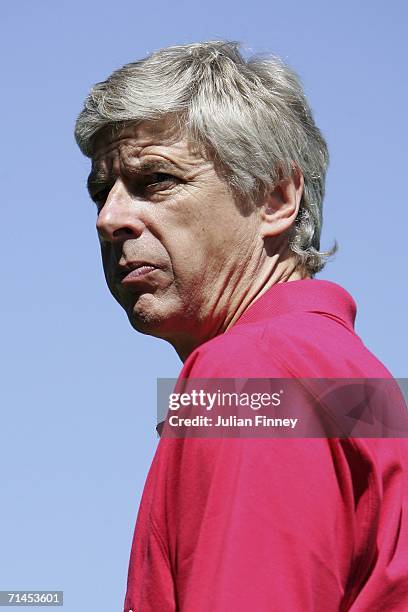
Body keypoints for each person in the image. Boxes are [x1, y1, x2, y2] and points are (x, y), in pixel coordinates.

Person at [74, 41, 408, 611]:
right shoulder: (354, 382)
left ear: (276, 197)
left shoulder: (250, 374)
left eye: (155, 180)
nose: (110, 218)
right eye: (102, 192)